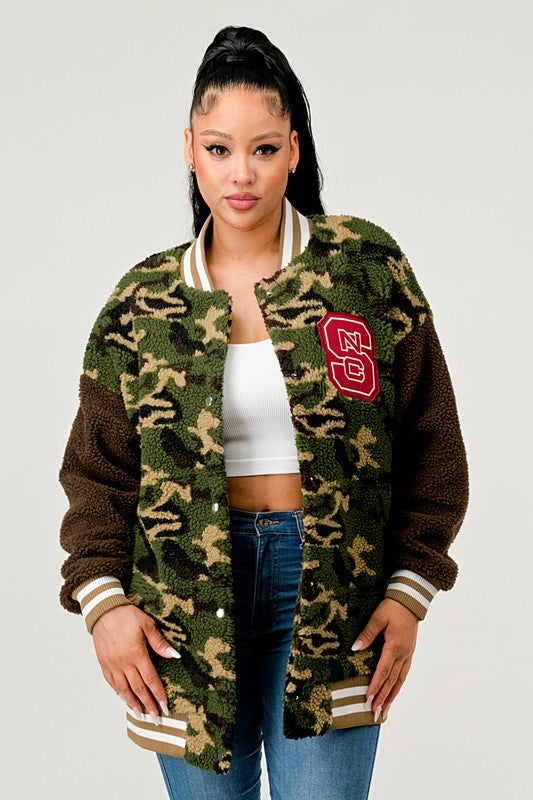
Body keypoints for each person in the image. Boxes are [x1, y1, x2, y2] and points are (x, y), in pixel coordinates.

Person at [58, 24, 468, 800]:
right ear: (189, 149)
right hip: (180, 615)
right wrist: (102, 605)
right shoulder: (141, 303)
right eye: (218, 148)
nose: (240, 173)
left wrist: (409, 589)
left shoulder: (364, 269)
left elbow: (432, 442)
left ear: (294, 151)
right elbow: (96, 474)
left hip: (334, 602)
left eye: (264, 149)